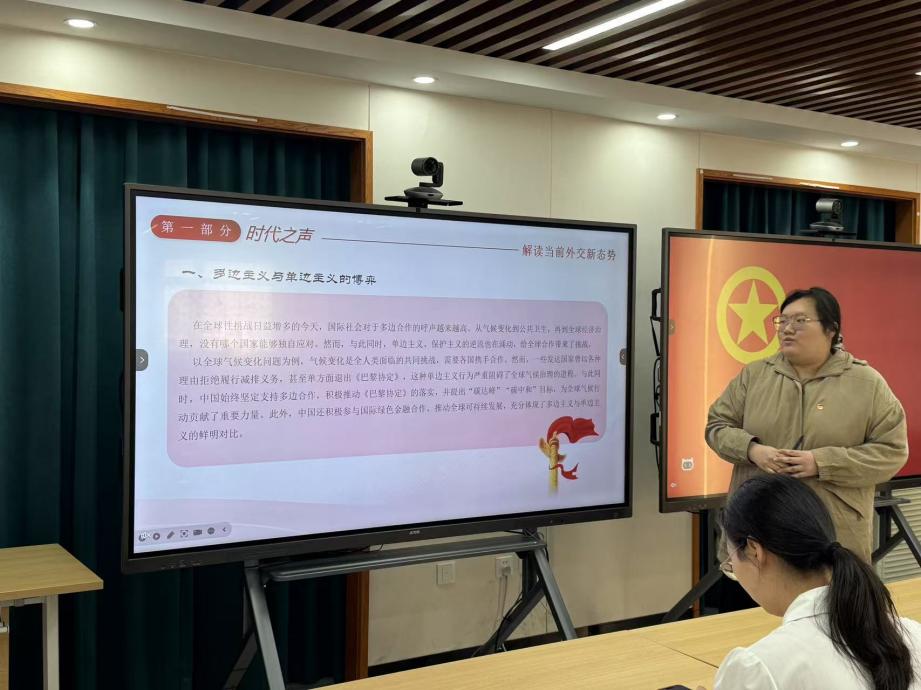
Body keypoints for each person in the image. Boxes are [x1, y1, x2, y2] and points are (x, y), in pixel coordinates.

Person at [706, 286, 908, 562]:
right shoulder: (754, 376)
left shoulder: (867, 383)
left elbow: (892, 452)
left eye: (800, 321)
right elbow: (717, 426)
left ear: (831, 330)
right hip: (759, 530)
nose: (787, 329)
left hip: (833, 536)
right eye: (782, 321)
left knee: (827, 588)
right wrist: (752, 450)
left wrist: (822, 463)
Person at [708, 474, 921, 689]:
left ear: (754, 551)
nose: (734, 570)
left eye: (730, 560)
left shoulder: (758, 668)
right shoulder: (912, 634)